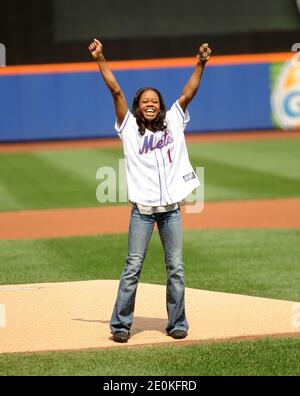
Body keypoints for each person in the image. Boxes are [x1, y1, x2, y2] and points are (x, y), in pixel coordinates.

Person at [88, 38, 211, 343]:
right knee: (133, 267)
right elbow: (115, 90)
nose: (151, 104)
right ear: (138, 108)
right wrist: (101, 58)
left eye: (155, 100)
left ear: (161, 105)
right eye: (145, 102)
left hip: (171, 210)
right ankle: (120, 325)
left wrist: (201, 63)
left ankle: (177, 323)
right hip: (141, 211)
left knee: (176, 268)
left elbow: (189, 92)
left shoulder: (174, 121)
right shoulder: (128, 126)